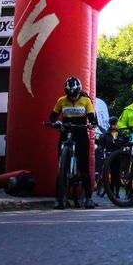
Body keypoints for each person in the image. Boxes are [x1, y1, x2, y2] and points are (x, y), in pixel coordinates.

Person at [49, 76, 97, 210]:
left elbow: (92, 118)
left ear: (78, 91)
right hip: (66, 131)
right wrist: (54, 123)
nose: (72, 97)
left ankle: (88, 198)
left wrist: (92, 124)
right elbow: (52, 116)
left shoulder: (86, 100)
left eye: (74, 95)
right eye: (69, 95)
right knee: (61, 168)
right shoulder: (61, 101)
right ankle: (59, 199)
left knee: (84, 166)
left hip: (81, 132)